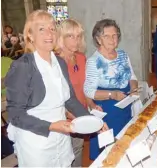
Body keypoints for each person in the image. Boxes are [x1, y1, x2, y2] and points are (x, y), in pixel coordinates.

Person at [5, 10, 93, 167]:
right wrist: (51, 126)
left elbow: (70, 99)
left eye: (52, 28)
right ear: (30, 35)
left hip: (61, 137)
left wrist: (92, 120)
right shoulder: (22, 67)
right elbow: (15, 115)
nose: (49, 33)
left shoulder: (59, 62)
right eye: (41, 29)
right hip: (36, 143)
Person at [84, 19, 138, 160]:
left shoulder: (123, 54)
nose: (112, 39)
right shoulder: (94, 61)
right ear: (98, 39)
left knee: (124, 144)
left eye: (115, 35)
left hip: (125, 106)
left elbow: (132, 76)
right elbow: (89, 91)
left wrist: (133, 87)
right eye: (106, 36)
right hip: (108, 112)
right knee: (108, 153)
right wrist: (112, 94)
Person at [56, 19, 103, 167]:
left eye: (78, 36)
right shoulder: (55, 62)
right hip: (63, 116)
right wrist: (77, 116)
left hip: (80, 112)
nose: (76, 41)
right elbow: (57, 97)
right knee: (62, 156)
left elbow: (85, 86)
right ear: (61, 38)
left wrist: (91, 105)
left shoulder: (81, 58)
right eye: (70, 36)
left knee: (77, 149)